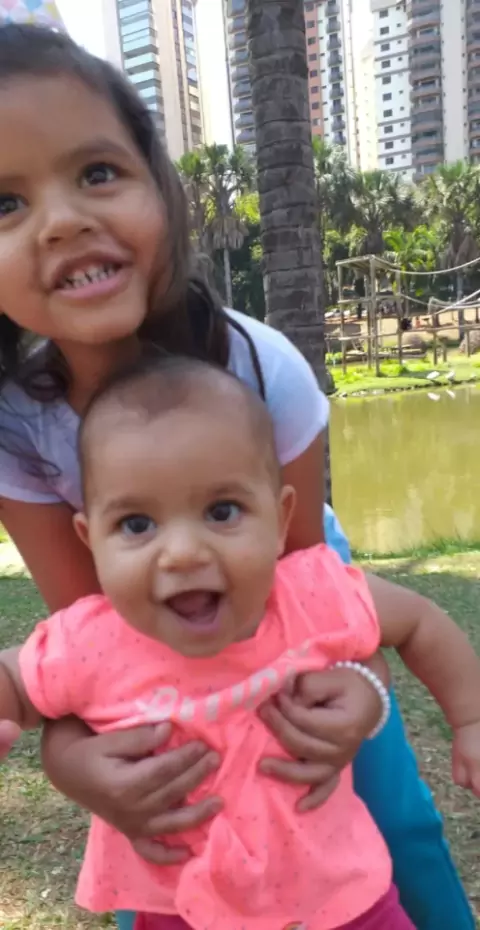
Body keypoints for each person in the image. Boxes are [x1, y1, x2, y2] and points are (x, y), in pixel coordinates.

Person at [0, 22, 472, 930]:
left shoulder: (263, 365)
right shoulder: (15, 421)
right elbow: (83, 646)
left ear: (158, 186)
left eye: (96, 172)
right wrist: (71, 763)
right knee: (161, 848)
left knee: (399, 824)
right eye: (4, 202)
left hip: (281, 568)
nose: (61, 221)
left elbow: (303, 598)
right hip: (136, 610)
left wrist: (367, 692)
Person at [2, 355, 480, 930]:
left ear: (280, 521)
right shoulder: (93, 638)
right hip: (178, 910)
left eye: (221, 511)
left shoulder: (307, 594)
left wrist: (471, 719)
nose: (182, 552)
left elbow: (420, 622)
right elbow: (13, 683)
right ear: (91, 540)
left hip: (341, 898)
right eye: (136, 524)